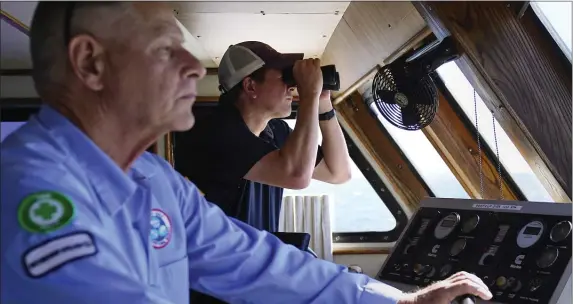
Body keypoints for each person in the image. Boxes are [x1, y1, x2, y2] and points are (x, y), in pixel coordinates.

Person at [0, 2, 493, 304]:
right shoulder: (33, 195)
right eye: (165, 48)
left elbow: (252, 259)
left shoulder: (151, 179)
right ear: (91, 63)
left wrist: (397, 302)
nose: (194, 67)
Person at [176, 40, 352, 233]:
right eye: (284, 77)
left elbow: (338, 173)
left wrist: (323, 103)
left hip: (255, 257)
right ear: (250, 86)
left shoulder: (276, 131)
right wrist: (309, 94)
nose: (291, 87)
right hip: (220, 260)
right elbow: (296, 177)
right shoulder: (216, 132)